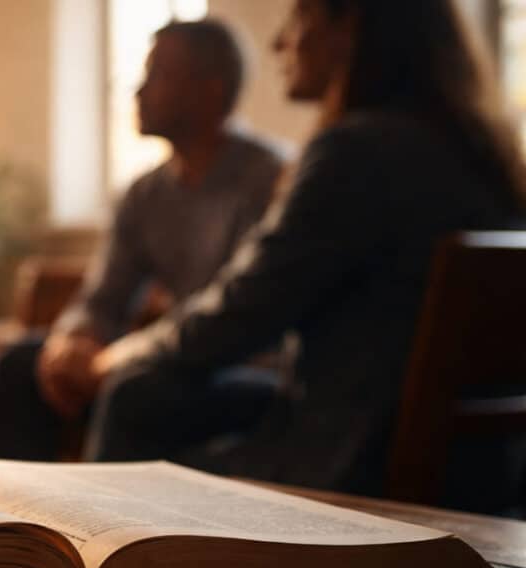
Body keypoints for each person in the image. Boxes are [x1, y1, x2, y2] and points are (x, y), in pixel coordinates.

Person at [80, 0, 526, 502]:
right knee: (146, 392)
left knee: (131, 397)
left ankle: (100, 564)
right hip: (482, 470)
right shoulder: (484, 153)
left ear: (347, 29)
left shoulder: (353, 154)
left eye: (298, 19)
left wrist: (117, 357)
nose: (279, 42)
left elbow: (241, 312)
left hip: (353, 462)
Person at [0, 19, 285, 461]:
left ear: (211, 89)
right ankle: (14, 525)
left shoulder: (272, 182)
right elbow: (104, 298)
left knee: (136, 389)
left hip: (244, 371)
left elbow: (238, 318)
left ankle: (97, 529)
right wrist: (70, 342)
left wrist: (116, 360)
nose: (138, 91)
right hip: (164, 361)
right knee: (19, 364)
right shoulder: (145, 193)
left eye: (157, 75)